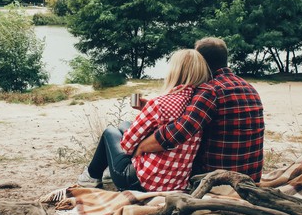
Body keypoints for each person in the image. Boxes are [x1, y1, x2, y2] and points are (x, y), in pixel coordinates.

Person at [77, 49, 211, 191]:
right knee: (125, 124)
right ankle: (105, 171)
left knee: (110, 132)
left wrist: (148, 111)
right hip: (175, 182)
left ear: (174, 72)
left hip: (140, 182)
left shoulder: (159, 103)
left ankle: (91, 177)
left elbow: (126, 146)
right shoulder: (198, 110)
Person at [135, 37, 264, 182]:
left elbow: (178, 132)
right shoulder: (248, 87)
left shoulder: (211, 90)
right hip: (251, 178)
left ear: (200, 62)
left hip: (219, 180)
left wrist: (141, 147)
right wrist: (152, 109)